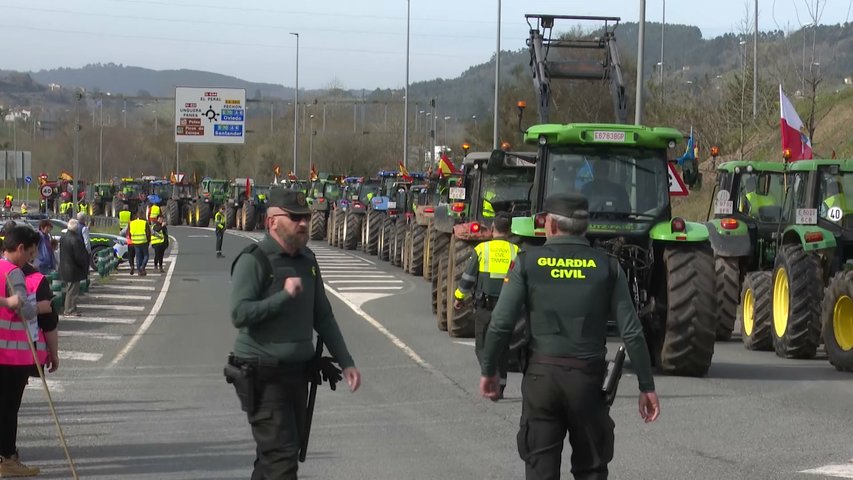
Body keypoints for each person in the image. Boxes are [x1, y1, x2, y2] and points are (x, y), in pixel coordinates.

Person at [480, 192, 660, 480]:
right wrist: (646, 386)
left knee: (540, 470)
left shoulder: (527, 263)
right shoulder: (608, 267)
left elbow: (500, 323)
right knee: (591, 469)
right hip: (587, 383)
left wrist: (489, 370)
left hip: (541, 379)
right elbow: (632, 332)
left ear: (550, 226)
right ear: (584, 227)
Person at [229, 188, 361, 480]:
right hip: (262, 376)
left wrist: (347, 361)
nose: (303, 224)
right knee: (282, 461)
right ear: (272, 221)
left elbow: (323, 316)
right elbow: (239, 314)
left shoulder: (307, 262)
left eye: (305, 217)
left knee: (273, 459)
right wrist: (282, 298)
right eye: (294, 218)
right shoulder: (255, 260)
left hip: (298, 375)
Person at [0, 225, 59, 477]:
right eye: (31, 253)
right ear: (20, 248)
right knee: (8, 408)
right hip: (13, 356)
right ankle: (7, 457)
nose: (31, 259)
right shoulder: (14, 274)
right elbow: (23, 310)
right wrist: (43, 307)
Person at [453, 212, 519, 399]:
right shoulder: (516, 252)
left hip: (485, 307)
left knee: (482, 345)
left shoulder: (482, 250)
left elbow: (468, 278)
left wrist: (459, 297)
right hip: (507, 308)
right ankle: (501, 386)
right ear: (510, 231)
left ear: (492, 229)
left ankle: (490, 376)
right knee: (503, 348)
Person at [59, 218, 89, 316]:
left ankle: (71, 308)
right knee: (72, 291)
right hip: (73, 268)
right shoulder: (76, 239)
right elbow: (79, 256)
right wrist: (84, 265)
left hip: (64, 266)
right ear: (76, 228)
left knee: (69, 289)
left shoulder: (63, 237)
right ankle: (69, 310)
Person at [129, 209, 151, 276]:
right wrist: (148, 241)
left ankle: (139, 271)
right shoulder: (144, 222)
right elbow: (148, 233)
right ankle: (142, 267)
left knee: (138, 257)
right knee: (146, 256)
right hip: (144, 241)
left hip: (135, 242)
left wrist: (133, 239)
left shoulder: (132, 223)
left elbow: (130, 234)